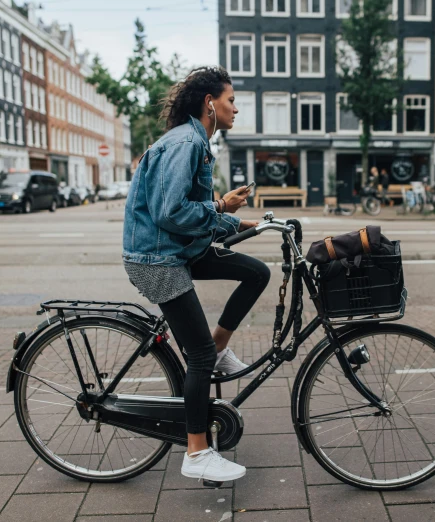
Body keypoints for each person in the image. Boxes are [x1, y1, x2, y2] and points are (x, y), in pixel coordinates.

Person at [121, 66, 271, 484]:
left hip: (178, 249)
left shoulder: (197, 142)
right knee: (198, 356)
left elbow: (195, 218)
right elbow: (172, 213)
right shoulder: (187, 142)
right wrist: (222, 208)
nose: (235, 108)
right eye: (231, 100)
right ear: (210, 104)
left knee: (256, 273)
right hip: (157, 259)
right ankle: (197, 451)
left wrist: (254, 225)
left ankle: (218, 350)